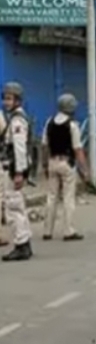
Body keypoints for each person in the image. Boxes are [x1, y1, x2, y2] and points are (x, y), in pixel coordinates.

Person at [40, 93, 88, 241]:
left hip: (52, 162)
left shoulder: (49, 123)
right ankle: (68, 230)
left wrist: (44, 164)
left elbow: (44, 146)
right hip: (67, 163)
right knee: (68, 197)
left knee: (51, 197)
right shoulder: (72, 126)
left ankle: (47, 230)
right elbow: (78, 149)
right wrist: (84, 169)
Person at [1, 82, 34, 262]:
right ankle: (25, 242)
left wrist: (19, 172)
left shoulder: (17, 120)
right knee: (18, 206)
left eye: (9, 98)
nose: (6, 102)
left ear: (18, 100)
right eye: (5, 98)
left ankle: (21, 244)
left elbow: (19, 148)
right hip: (14, 167)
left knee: (13, 208)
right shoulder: (14, 117)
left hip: (13, 168)